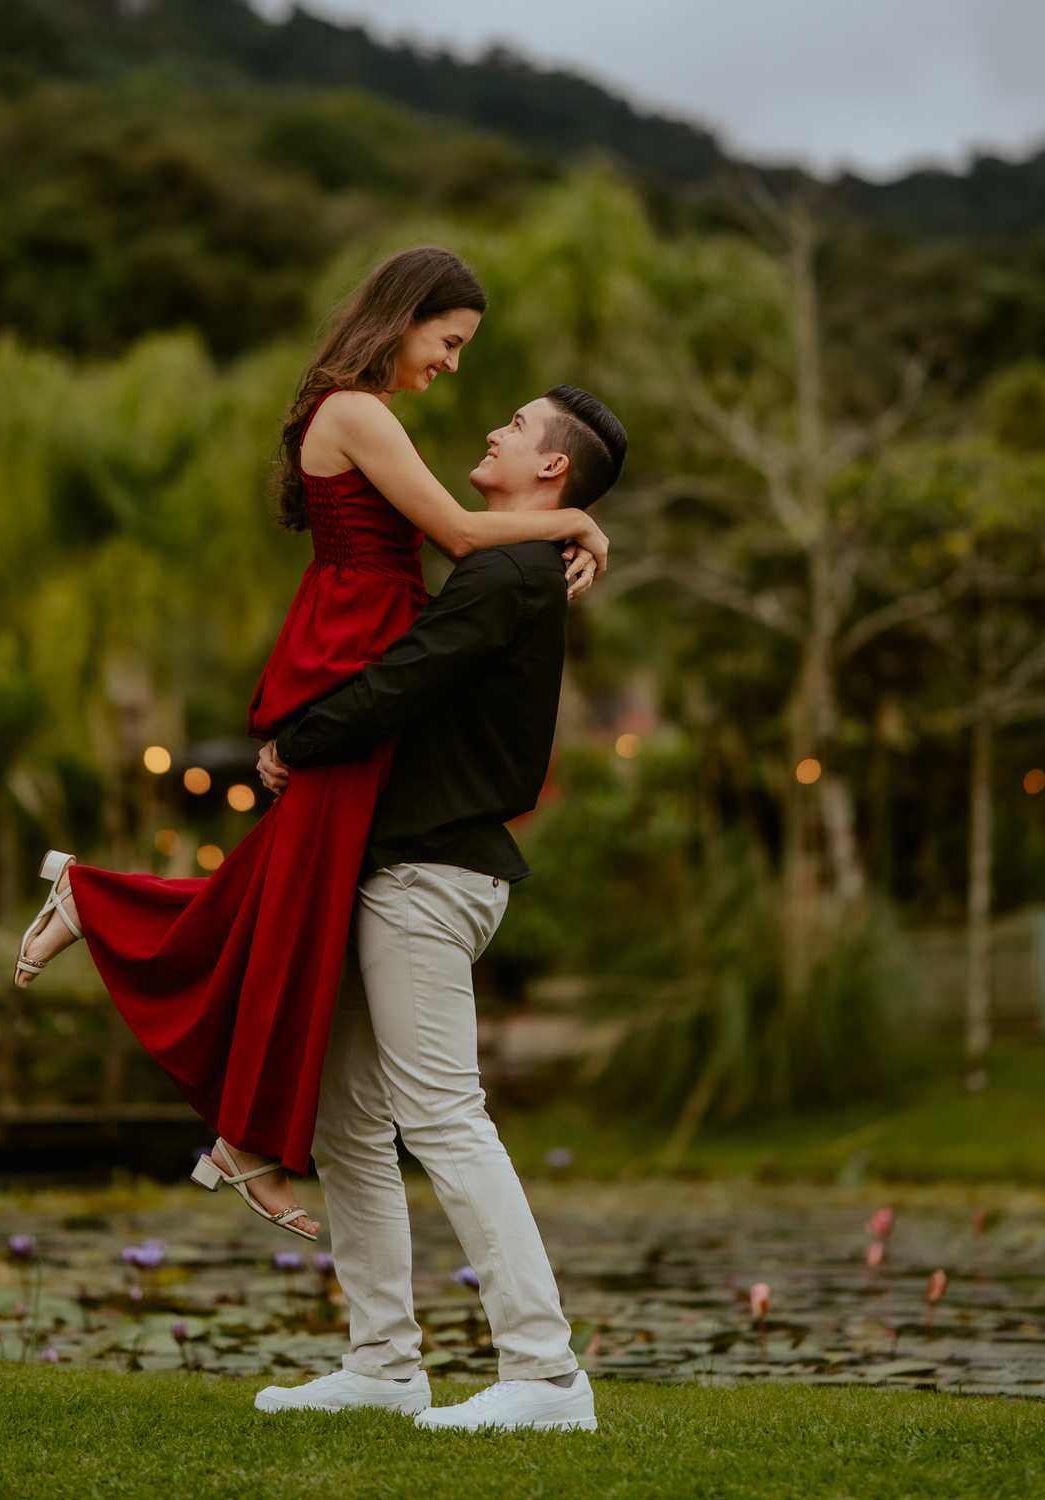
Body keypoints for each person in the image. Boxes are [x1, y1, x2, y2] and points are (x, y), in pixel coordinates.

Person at [10, 247, 609, 1243]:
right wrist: (581, 519)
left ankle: (220, 1100)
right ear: (406, 316)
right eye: (449, 342)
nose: (455, 366)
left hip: (364, 632)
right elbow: (461, 535)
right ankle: (220, 1099)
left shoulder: (360, 411)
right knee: (299, 892)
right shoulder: (358, 411)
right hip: (357, 645)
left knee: (296, 887)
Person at [251, 385, 627, 1432]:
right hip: (411, 869)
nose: (495, 428)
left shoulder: (506, 568)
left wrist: (295, 742)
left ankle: (547, 1375)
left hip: (430, 876)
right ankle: (381, 1364)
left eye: (517, 424)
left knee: (445, 1119)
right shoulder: (513, 561)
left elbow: (401, 680)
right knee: (349, 1125)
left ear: (550, 470)